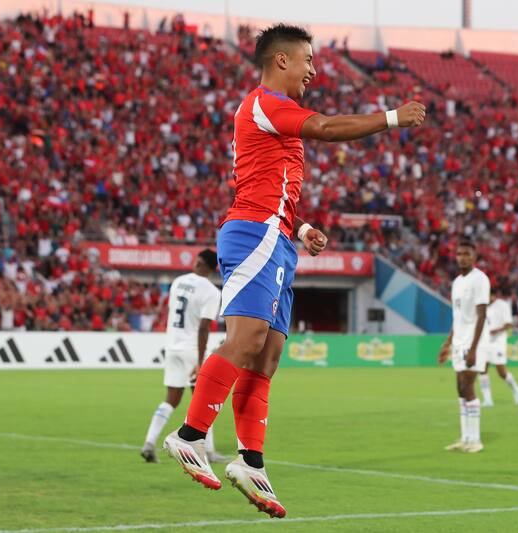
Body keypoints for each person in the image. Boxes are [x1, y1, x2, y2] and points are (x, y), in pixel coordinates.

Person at [162, 23, 426, 518]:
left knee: (268, 354)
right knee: (247, 337)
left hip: (277, 237)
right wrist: (391, 117)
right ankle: (189, 434)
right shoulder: (265, 102)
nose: (313, 69)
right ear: (281, 60)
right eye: (307, 60)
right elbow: (326, 128)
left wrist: (301, 230)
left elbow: (265, 184)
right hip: (254, 234)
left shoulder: (272, 117)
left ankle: (251, 461)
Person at [140, 250, 226, 462]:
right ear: (213, 268)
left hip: (172, 347)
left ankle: (149, 442)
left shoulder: (177, 282)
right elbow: (204, 327)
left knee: (171, 399)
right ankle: (209, 451)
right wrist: (199, 361)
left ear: (197, 262)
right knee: (205, 399)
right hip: (192, 349)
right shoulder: (212, 292)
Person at [438, 241, 489, 453]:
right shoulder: (457, 282)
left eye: (466, 254)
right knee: (460, 388)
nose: (462, 257)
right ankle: (465, 438)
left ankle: (476, 440)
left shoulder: (480, 279)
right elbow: (457, 316)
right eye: (459, 254)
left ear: (474, 257)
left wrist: (475, 348)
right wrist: (448, 342)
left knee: (468, 386)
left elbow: (482, 315)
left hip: (473, 341)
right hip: (459, 341)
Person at [479, 286, 518, 407]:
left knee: (501, 372)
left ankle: (515, 388)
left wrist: (495, 331)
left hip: (498, 342)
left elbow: (509, 324)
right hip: (484, 342)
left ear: (494, 295)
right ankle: (488, 400)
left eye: (488, 296)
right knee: (482, 370)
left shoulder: (502, 305)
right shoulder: (482, 306)